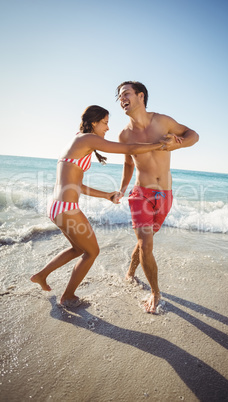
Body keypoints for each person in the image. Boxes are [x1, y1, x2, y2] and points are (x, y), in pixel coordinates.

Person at [31, 105, 169, 307]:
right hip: (67, 208)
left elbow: (77, 185)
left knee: (78, 249)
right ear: (94, 122)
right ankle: (67, 296)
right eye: (105, 123)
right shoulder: (87, 139)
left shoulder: (77, 141)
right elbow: (128, 149)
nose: (107, 128)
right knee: (92, 252)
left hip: (57, 206)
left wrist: (106, 195)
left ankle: (41, 275)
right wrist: (158, 145)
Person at [116, 81, 199, 313]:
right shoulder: (124, 135)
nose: (122, 99)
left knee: (145, 243)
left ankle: (131, 272)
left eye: (126, 94)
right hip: (140, 194)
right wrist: (122, 189)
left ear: (141, 96)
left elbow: (194, 135)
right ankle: (155, 292)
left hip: (165, 195)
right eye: (119, 96)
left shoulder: (162, 121)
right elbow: (127, 164)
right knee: (146, 243)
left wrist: (178, 145)